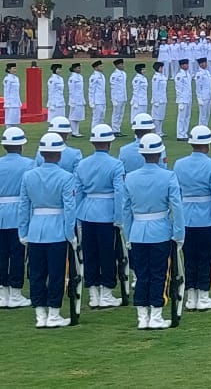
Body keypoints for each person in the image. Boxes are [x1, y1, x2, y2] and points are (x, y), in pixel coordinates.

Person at [122, 133, 183, 329]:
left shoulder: (130, 178)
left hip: (138, 232)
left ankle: (142, 316)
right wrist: (178, 233)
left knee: (141, 275)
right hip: (160, 232)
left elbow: (126, 210)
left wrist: (129, 235)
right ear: (159, 153)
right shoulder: (168, 176)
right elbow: (177, 206)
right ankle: (155, 315)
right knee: (158, 274)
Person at [19, 133, 78, 328]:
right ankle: (53, 313)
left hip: (36, 229)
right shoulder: (67, 177)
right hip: (57, 231)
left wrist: (23, 231)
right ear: (59, 154)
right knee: (56, 273)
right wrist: (71, 234)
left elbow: (24, 206)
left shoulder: (29, 176)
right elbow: (69, 209)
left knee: (36, 273)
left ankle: (40, 314)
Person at [173, 125, 211, 311]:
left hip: (186, 218)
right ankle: (202, 296)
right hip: (206, 219)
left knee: (189, 258)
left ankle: (191, 296)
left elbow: (176, 194)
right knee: (205, 258)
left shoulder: (179, 164)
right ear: (208, 145)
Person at [74, 124, 126, 309]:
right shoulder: (116, 164)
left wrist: (78, 215)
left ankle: (93, 293)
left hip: (87, 212)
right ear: (109, 143)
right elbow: (120, 194)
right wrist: (119, 219)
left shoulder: (83, 164)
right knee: (107, 254)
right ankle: (106, 292)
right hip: (107, 214)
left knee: (90, 253)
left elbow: (78, 192)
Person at [0, 127, 34, 309]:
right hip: (18, 214)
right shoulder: (29, 164)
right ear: (21, 145)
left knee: (1, 254)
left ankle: (2, 292)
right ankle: (15, 293)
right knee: (17, 254)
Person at [174, 59, 193, 140]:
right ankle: (180, 134)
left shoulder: (188, 74)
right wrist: (180, 101)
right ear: (181, 66)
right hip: (183, 99)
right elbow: (178, 89)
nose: (187, 66)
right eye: (185, 64)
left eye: (187, 64)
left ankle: (184, 133)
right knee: (181, 117)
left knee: (187, 117)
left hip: (188, 98)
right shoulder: (179, 76)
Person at [109, 59, 128, 136]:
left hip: (123, 96)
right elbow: (113, 87)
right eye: (121, 64)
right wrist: (113, 99)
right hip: (117, 97)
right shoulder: (114, 75)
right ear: (117, 66)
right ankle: (114, 130)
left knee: (121, 114)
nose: (123, 66)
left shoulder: (123, 73)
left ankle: (118, 129)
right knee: (116, 114)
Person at [67, 63, 85, 137]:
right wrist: (72, 101)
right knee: (73, 116)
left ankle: (76, 131)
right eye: (78, 68)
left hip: (80, 99)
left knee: (78, 117)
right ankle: (73, 131)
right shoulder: (72, 78)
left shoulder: (80, 77)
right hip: (74, 99)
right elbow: (71, 90)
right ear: (74, 69)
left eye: (80, 68)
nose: (79, 69)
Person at [194, 57, 211, 128]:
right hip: (203, 97)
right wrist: (199, 98)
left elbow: (209, 86)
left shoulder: (207, 72)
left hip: (208, 96)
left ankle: (206, 128)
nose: (205, 64)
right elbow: (198, 87)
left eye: (206, 62)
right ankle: (201, 129)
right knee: (203, 115)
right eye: (204, 63)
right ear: (200, 64)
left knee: (207, 114)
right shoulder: (199, 74)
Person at [3, 63, 20, 128]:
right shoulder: (7, 79)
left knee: (16, 120)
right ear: (9, 70)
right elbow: (6, 91)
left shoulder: (16, 78)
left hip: (16, 102)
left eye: (15, 68)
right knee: (9, 121)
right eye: (13, 68)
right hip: (10, 103)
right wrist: (7, 102)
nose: (15, 70)